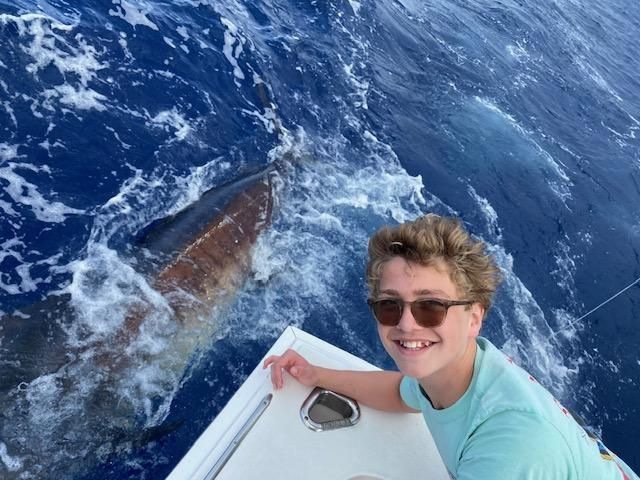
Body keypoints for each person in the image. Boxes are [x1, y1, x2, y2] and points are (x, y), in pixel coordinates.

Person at [264, 214, 639, 479]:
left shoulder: (513, 448)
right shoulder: (453, 372)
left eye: (431, 307)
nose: (407, 323)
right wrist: (316, 374)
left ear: (475, 317)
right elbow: (403, 392)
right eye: (389, 305)